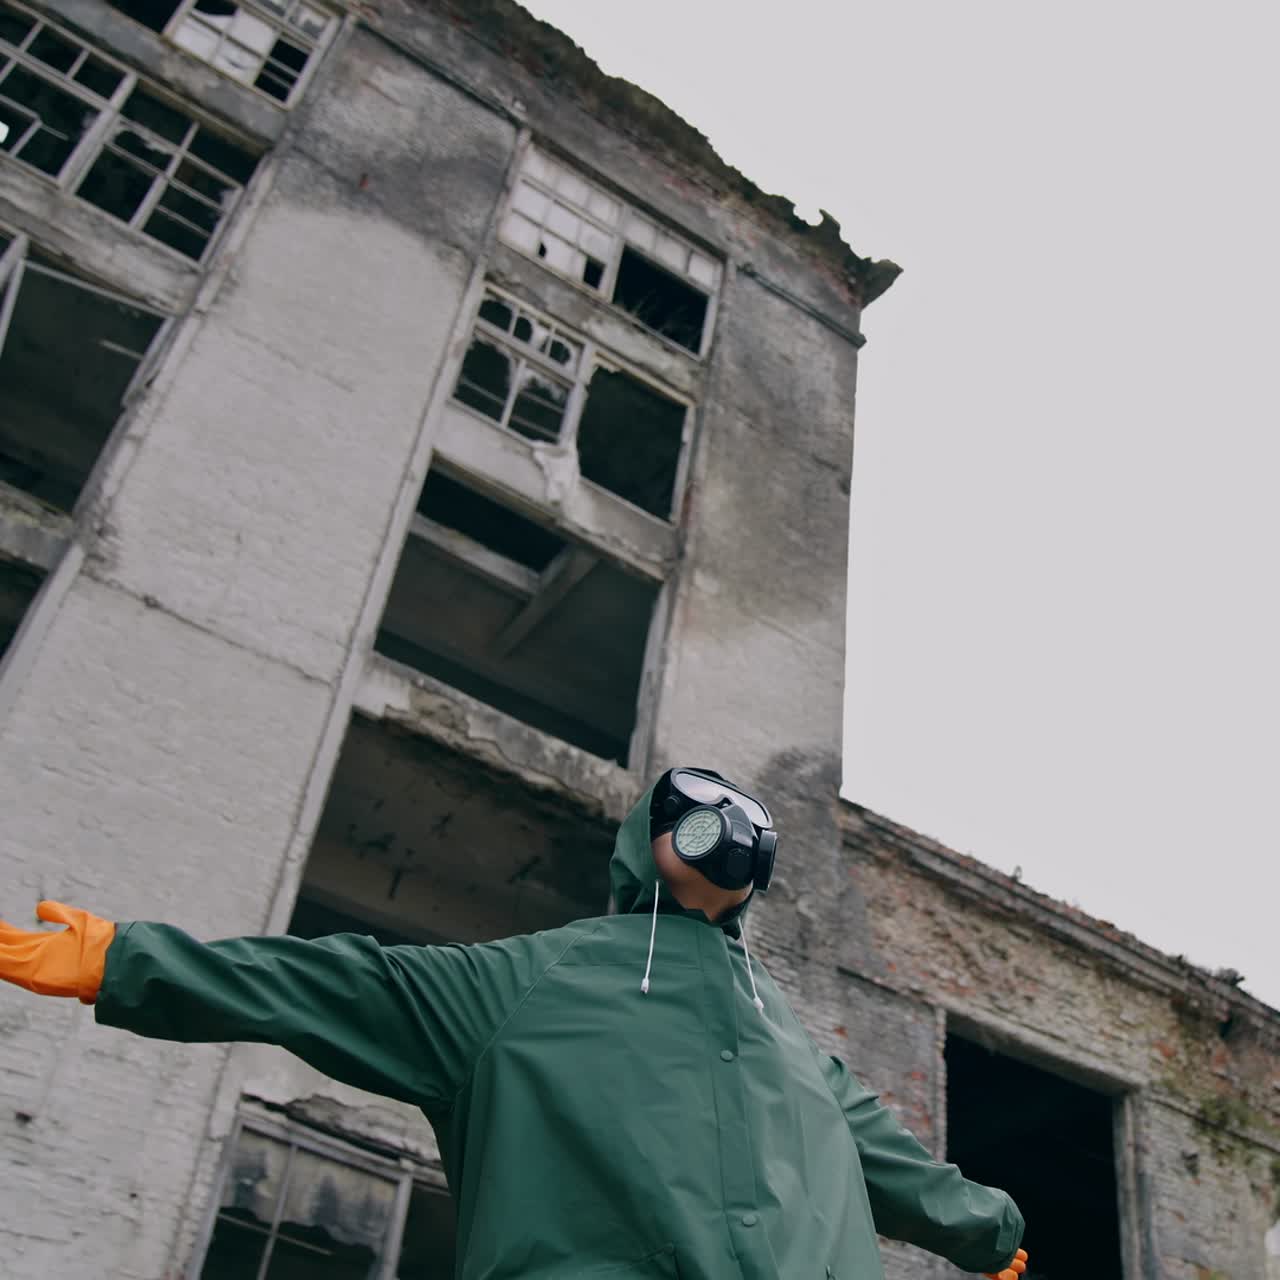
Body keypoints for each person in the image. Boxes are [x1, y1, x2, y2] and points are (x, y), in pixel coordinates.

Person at [0, 767, 1029, 1280]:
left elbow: (897, 1162)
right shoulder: (540, 982)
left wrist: (988, 1230)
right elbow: (336, 985)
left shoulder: (789, 1039)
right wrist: (132, 960)